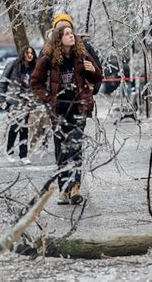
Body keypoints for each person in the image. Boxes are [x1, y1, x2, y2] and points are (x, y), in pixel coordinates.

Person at [31, 25, 103, 205]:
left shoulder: (82, 56)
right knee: (62, 151)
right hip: (59, 111)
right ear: (59, 38)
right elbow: (35, 82)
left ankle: (75, 187)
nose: (72, 36)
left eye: (72, 33)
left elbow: (98, 78)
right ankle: (64, 190)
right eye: (67, 34)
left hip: (79, 108)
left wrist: (92, 71)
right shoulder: (48, 59)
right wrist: (48, 99)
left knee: (75, 146)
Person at [0, 45, 37, 165]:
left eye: (32, 53)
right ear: (22, 53)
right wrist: (1, 98)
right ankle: (10, 152)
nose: (30, 55)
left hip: (27, 102)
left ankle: (23, 155)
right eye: (27, 53)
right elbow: (2, 82)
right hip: (13, 101)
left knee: (24, 128)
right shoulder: (13, 65)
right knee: (14, 127)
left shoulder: (34, 68)